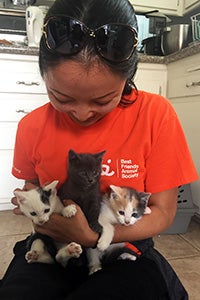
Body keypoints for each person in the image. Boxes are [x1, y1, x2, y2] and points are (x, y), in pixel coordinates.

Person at [0, 0, 198, 299]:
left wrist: (93, 236)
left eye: (103, 100)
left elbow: (164, 212)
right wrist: (35, 205)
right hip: (53, 243)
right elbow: (31, 186)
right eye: (62, 98)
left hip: (122, 246)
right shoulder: (32, 125)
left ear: (128, 75)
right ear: (43, 73)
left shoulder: (155, 114)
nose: (81, 114)